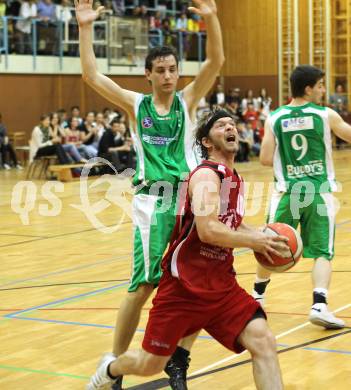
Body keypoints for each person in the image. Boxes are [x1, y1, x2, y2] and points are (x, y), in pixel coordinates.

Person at [76, 0, 225, 388]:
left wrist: (210, 18)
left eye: (173, 70)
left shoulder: (187, 102)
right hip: (152, 201)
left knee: (196, 281)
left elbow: (215, 62)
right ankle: (111, 364)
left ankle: (178, 359)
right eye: (160, 70)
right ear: (148, 75)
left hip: (189, 201)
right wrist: (86, 26)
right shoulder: (136, 104)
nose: (168, 76)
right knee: (143, 285)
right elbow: (92, 76)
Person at [86, 109, 286, 390]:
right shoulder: (206, 176)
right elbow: (208, 230)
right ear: (207, 141)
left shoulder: (232, 177)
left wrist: (263, 234)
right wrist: (256, 242)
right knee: (150, 364)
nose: (230, 127)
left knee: (263, 340)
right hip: (184, 288)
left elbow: (230, 224)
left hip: (220, 287)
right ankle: (109, 369)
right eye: (221, 125)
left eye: (232, 124)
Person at [252, 65, 351, 329]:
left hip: (288, 193)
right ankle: (319, 305)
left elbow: (263, 159)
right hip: (318, 193)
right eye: (320, 85)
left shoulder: (275, 117)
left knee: (269, 246)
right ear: (308, 89)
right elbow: (348, 134)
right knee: (322, 253)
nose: (322, 90)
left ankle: (256, 297)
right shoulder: (324, 114)